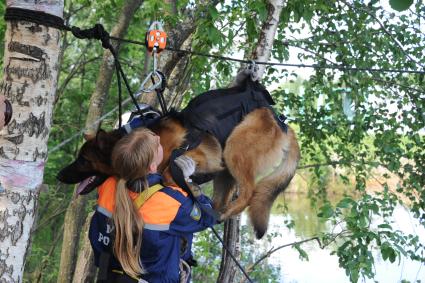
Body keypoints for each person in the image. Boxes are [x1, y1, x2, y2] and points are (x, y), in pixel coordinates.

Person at [89, 128, 216, 283]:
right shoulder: (170, 202)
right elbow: (210, 216)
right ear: (152, 167)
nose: (158, 137)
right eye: (157, 144)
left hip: (110, 277)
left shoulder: (107, 186)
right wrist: (188, 182)